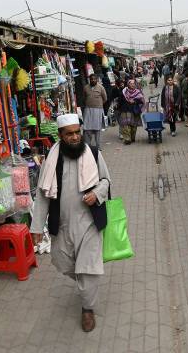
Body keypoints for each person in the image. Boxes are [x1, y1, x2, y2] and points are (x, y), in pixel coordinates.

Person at [30, 113, 111, 333]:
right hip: (63, 224)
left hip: (89, 223)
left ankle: (87, 308)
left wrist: (96, 193)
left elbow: (106, 180)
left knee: (88, 269)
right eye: (70, 134)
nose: (75, 137)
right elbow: (42, 194)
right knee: (62, 262)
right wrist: (36, 227)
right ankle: (86, 285)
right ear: (60, 135)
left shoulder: (93, 153)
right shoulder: (52, 160)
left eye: (78, 132)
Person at [82, 74, 107, 149]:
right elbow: (84, 98)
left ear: (97, 79)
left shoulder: (101, 88)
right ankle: (87, 146)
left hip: (98, 111)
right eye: (91, 79)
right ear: (89, 80)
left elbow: (105, 98)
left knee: (97, 128)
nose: (93, 80)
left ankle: (98, 146)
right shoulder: (86, 88)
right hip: (88, 110)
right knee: (87, 128)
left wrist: (98, 105)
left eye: (94, 79)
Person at [118, 79, 144, 144]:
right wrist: (119, 108)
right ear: (128, 84)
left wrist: (135, 101)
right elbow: (120, 100)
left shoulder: (138, 92)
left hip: (134, 111)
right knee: (126, 125)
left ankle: (132, 138)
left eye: (133, 83)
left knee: (133, 126)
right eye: (131, 83)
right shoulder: (124, 91)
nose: (132, 85)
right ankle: (127, 139)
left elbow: (142, 101)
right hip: (125, 110)